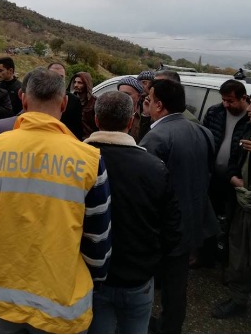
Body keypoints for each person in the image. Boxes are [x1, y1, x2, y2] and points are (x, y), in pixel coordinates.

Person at [0, 67, 111, 334]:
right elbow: (97, 239)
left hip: (2, 293)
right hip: (62, 300)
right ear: (64, 104)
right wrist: (95, 279)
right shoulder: (90, 159)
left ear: (23, 99)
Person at [84, 91, 181, 334]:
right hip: (138, 278)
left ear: (96, 120)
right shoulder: (155, 168)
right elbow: (171, 228)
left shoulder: (77, 163)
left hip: (91, 277)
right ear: (131, 122)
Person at [139, 79, 218, 333]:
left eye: (150, 99)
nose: (147, 104)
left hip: (165, 228)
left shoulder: (156, 137)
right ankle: (172, 326)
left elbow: (148, 188)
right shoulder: (203, 131)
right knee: (177, 283)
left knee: (154, 280)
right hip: (192, 223)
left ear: (159, 105)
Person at [212, 89, 251, 319]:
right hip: (243, 206)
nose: (249, 109)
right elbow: (234, 157)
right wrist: (232, 177)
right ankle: (239, 300)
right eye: (249, 104)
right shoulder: (250, 127)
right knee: (240, 256)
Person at [200, 80, 250, 268]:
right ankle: (205, 257)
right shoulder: (215, 112)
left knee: (231, 224)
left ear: (243, 98)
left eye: (230, 101)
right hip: (212, 177)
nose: (226, 105)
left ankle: (227, 264)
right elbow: (204, 138)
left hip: (236, 182)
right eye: (224, 100)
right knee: (207, 218)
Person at [48, 62, 83, 139]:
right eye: (54, 76)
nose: (57, 80)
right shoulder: (39, 97)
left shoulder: (74, 101)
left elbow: (77, 131)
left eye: (61, 77)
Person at [116, 76, 146, 142]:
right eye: (120, 94)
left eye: (127, 94)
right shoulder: (111, 112)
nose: (122, 98)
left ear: (139, 96)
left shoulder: (145, 116)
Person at [70, 71, 99, 139]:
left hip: (89, 140)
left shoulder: (94, 102)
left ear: (86, 84)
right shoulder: (70, 100)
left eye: (80, 83)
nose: (76, 85)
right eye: (75, 82)